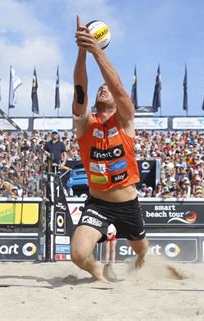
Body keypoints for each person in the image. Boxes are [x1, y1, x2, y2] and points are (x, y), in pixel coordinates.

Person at [70, 15, 148, 282]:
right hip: (97, 203)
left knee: (141, 251)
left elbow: (117, 86)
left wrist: (96, 50)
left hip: (128, 204)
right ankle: (99, 274)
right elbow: (80, 87)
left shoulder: (125, 120)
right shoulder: (85, 124)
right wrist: (82, 51)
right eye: (99, 88)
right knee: (79, 255)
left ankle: (142, 266)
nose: (104, 88)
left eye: (108, 88)